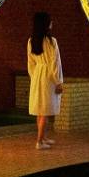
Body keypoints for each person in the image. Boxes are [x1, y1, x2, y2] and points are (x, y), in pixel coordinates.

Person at [27, 11, 63, 149]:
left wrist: (34, 77)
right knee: (45, 111)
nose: (52, 23)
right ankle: (39, 141)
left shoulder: (31, 41)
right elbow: (55, 63)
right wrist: (58, 81)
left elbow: (30, 63)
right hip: (48, 78)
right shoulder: (51, 41)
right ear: (46, 24)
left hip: (37, 76)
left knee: (40, 110)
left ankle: (43, 138)